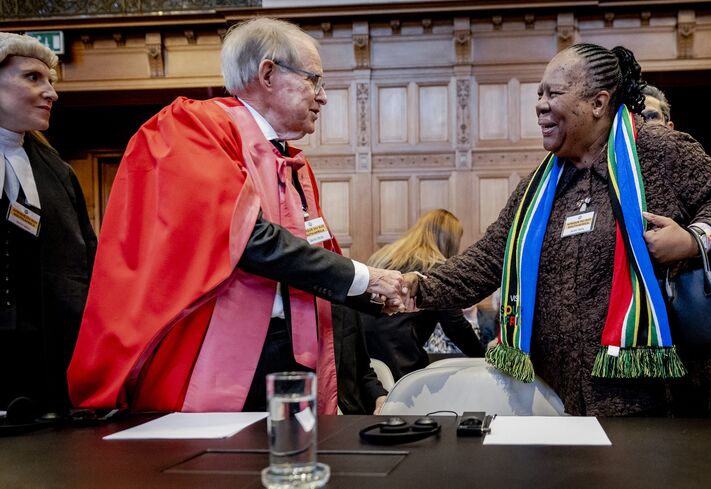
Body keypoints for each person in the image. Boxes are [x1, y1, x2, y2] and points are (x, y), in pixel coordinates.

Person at [67, 18, 406, 414]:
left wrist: (365, 367)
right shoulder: (193, 127)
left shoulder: (289, 161)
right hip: (226, 355)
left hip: (295, 354)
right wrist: (367, 278)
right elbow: (246, 238)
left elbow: (314, 266)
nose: (323, 97)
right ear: (268, 74)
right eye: (315, 80)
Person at [402, 44, 711, 416]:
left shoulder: (658, 150)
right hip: (565, 396)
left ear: (599, 103)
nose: (540, 104)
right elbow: (488, 257)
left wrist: (694, 239)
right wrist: (414, 287)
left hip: (663, 400)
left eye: (554, 93)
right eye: (539, 94)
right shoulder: (538, 187)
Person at [0, 32, 97, 417]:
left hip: (53, 367)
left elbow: (86, 262)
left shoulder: (59, 172)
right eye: (32, 78)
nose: (51, 93)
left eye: (50, 81)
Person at [362, 209, 485, 380]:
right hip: (401, 360)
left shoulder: (383, 257)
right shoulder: (437, 269)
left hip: (365, 359)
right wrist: (485, 358)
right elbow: (456, 326)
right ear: (450, 241)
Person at [330, 303, 387, 415]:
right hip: (306, 418)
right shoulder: (289, 317)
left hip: (351, 415)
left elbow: (363, 370)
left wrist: (379, 396)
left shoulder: (347, 307)